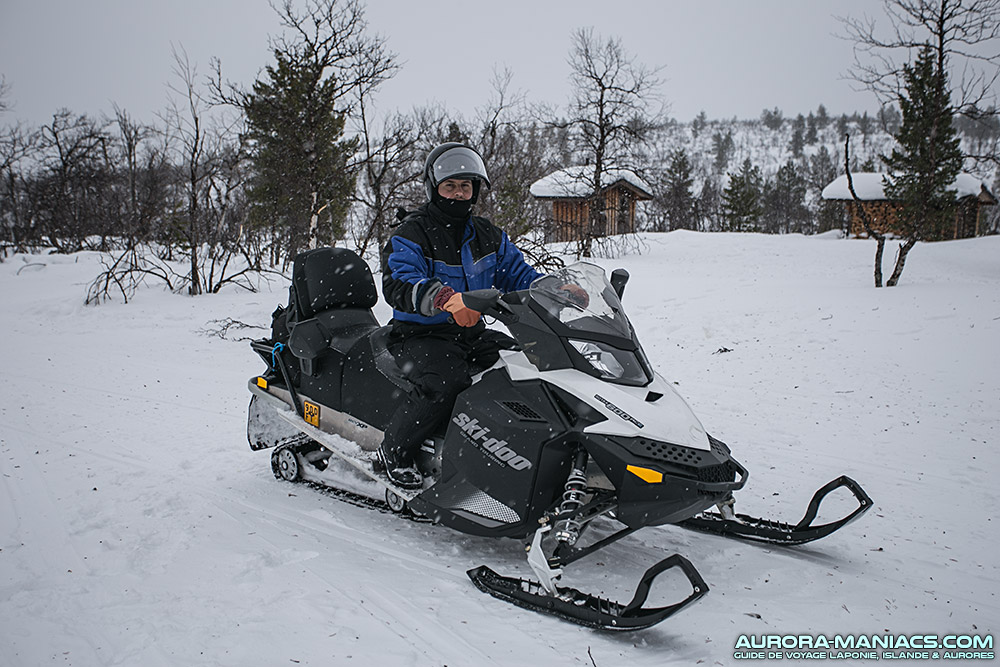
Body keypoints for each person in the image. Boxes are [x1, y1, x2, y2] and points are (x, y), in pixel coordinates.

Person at [376, 142, 543, 489]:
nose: (458, 194)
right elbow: (400, 283)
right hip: (419, 334)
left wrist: (554, 287)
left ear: (475, 190)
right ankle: (394, 452)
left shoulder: (487, 235)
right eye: (449, 186)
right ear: (433, 188)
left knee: (524, 364)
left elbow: (518, 274)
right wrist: (445, 299)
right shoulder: (412, 233)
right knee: (444, 382)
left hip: (470, 332)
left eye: (465, 186)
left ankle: (509, 451)